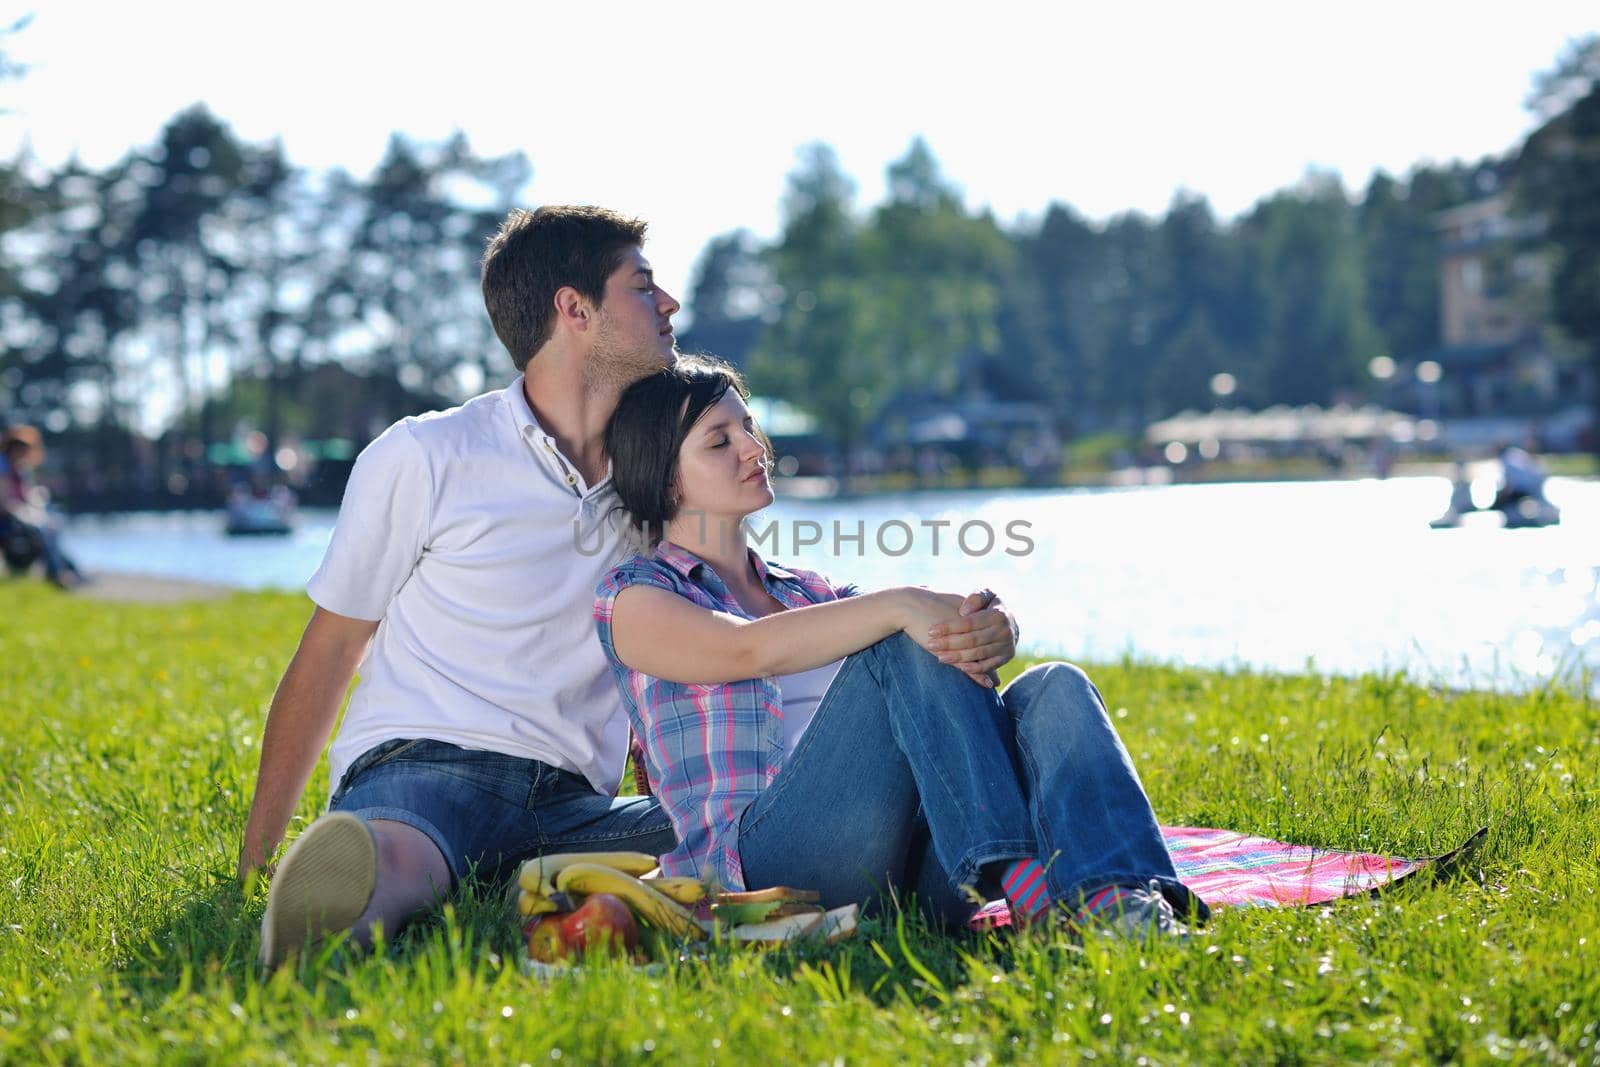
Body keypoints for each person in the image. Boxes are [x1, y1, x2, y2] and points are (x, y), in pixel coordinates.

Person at [236, 205, 1028, 968]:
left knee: (740, 834)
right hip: (432, 766)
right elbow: (332, 647)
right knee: (409, 852)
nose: (669, 302)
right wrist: (255, 860)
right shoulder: (427, 454)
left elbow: (738, 616)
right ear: (575, 309)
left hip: (581, 805)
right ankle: (338, 905)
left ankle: (975, 878)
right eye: (643, 285)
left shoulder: (656, 482)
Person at [595, 358, 1206, 936]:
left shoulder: (811, 592)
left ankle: (1121, 904)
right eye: (719, 441)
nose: (754, 448)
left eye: (748, 427)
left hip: (913, 865)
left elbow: (924, 635)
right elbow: (745, 651)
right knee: (898, 634)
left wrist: (996, 627)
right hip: (764, 870)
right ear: (663, 473)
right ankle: (1035, 898)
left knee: (1056, 687)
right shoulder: (636, 596)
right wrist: (902, 606)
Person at [1, 425, 86, 588]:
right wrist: (27, 513)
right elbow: (5, 502)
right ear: (12, 448)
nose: (23, 454)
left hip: (22, 514)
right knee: (41, 529)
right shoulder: (2, 466)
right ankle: (56, 574)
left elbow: (28, 495)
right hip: (7, 518)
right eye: (21, 449)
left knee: (52, 523)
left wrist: (37, 502)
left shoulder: (21, 468)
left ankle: (69, 570)